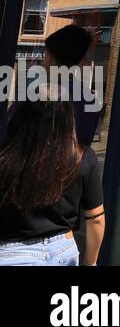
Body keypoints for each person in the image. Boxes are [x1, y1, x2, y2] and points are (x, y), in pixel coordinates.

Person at [0, 98, 104, 265]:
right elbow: (96, 218)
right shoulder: (82, 157)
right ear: (69, 120)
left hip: (12, 253)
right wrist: (90, 262)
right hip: (62, 251)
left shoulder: (6, 157)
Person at [0, 24, 102, 148]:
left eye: (45, 56)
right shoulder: (90, 100)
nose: (43, 62)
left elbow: (5, 135)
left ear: (51, 58)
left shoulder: (34, 96)